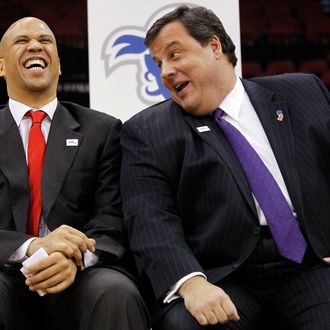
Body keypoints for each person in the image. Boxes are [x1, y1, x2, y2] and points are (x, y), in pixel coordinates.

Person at [120, 4, 330, 330]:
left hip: (311, 263)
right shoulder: (146, 131)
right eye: (158, 63)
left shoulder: (303, 92)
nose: (164, 72)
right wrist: (190, 283)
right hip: (222, 275)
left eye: (175, 55)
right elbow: (150, 220)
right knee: (183, 324)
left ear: (214, 47)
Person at [0, 17, 150, 330]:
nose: (35, 45)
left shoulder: (103, 130)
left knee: (116, 292)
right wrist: (32, 247)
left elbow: (111, 218)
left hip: (79, 272)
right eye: (21, 40)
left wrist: (75, 257)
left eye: (45, 40)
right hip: (4, 269)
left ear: (58, 65)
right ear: (1, 67)